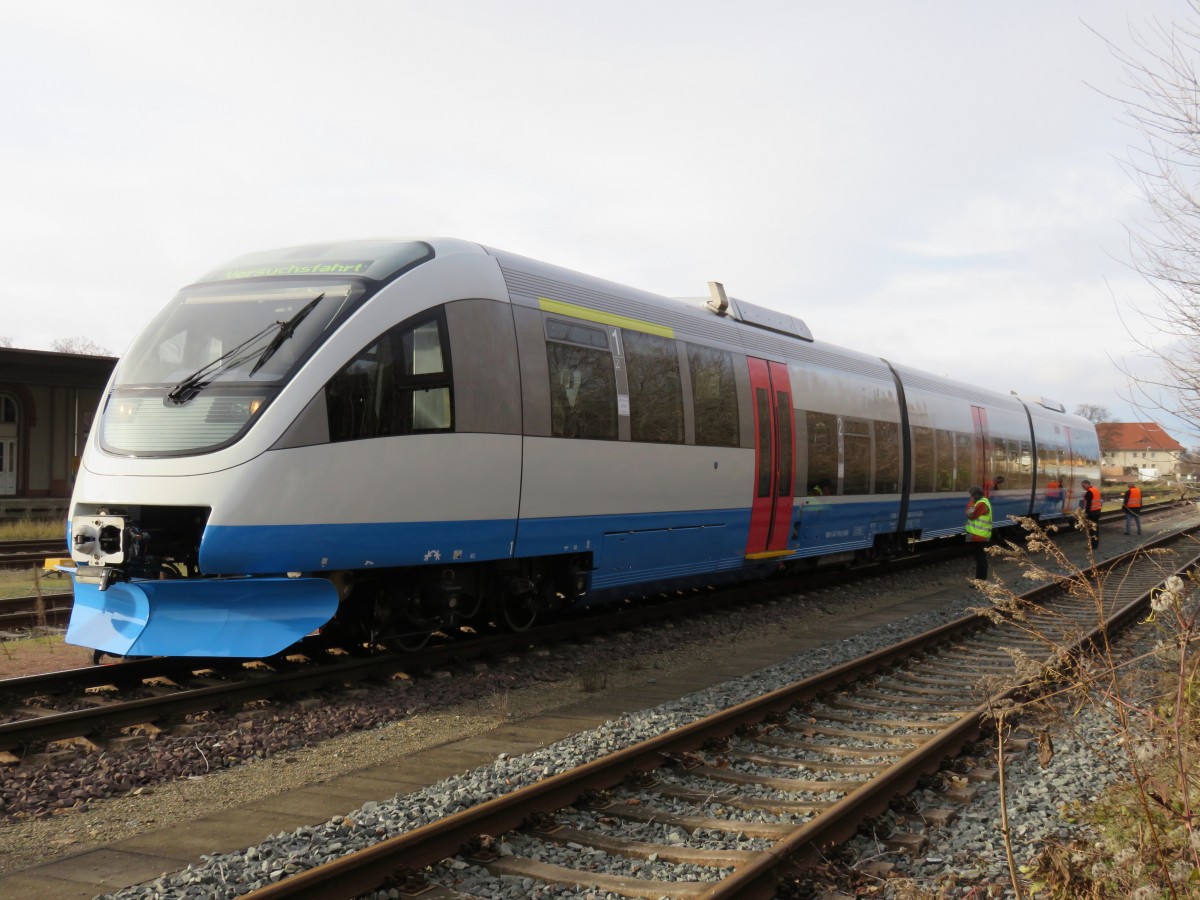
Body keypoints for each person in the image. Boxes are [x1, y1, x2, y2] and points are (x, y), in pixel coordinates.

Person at [965, 485, 992, 580]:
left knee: (981, 559)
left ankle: (980, 581)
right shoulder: (982, 502)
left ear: (975, 496)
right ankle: (980, 580)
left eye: (971, 495)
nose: (969, 497)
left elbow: (970, 514)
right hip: (978, 535)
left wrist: (971, 503)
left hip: (979, 535)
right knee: (980, 558)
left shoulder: (981, 504)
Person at [1080, 479, 1102, 548]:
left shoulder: (1089, 492)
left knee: (1092, 530)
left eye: (1083, 485)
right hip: (1097, 511)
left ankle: (1093, 545)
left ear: (1087, 484)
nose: (1083, 487)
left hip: (1092, 513)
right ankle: (1095, 544)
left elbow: (1088, 504)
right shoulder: (1095, 490)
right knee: (1095, 529)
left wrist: (1086, 513)